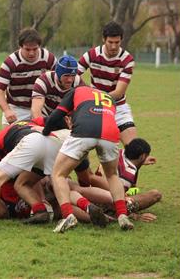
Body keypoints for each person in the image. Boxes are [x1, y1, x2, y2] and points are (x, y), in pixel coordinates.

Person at [0, 128, 108, 230]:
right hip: (57, 142)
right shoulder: (29, 124)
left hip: (32, 143)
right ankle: (120, 204)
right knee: (63, 186)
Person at [43, 85, 135, 233]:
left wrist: (45, 131)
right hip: (110, 133)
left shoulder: (76, 91)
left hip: (84, 131)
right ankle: (122, 214)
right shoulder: (108, 97)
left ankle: (67, 216)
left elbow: (56, 115)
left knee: (58, 174)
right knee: (112, 175)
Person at [77, 21, 155, 165]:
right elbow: (74, 75)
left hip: (118, 107)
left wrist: (93, 95)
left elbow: (118, 92)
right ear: (103, 39)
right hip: (93, 108)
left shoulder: (127, 60)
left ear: (121, 40)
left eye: (117, 42)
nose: (113, 46)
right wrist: (85, 89)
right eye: (110, 42)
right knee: (80, 152)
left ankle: (129, 187)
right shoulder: (91, 55)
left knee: (135, 152)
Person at [0, 28, 56, 127]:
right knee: (10, 140)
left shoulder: (47, 57)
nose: (31, 53)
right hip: (17, 109)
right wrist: (7, 110)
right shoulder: (11, 62)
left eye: (35, 49)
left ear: (39, 46)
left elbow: (60, 79)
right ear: (20, 47)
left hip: (41, 108)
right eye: (27, 49)